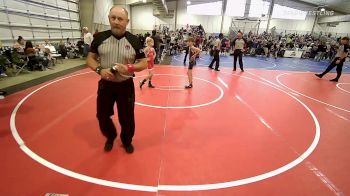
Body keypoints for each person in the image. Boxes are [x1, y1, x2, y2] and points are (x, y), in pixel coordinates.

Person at [86, 6, 148, 153]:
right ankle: (111, 135)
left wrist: (129, 68)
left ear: (127, 21)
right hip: (105, 85)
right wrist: (100, 70)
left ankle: (126, 141)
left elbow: (144, 63)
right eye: (113, 18)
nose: (116, 22)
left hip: (125, 86)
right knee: (102, 115)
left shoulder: (134, 41)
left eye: (120, 19)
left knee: (127, 117)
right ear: (109, 19)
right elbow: (90, 59)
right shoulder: (99, 38)